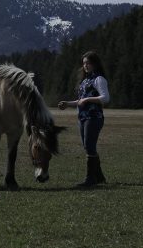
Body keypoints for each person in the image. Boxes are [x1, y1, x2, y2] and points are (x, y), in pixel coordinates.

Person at [58, 51, 109, 187]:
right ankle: (99, 177)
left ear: (95, 63)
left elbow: (105, 98)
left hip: (94, 117)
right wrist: (68, 104)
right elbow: (80, 101)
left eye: (88, 63)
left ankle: (90, 179)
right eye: (84, 63)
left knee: (89, 146)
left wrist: (87, 99)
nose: (86, 65)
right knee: (88, 147)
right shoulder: (85, 81)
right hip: (83, 118)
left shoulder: (99, 79)